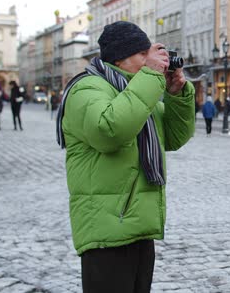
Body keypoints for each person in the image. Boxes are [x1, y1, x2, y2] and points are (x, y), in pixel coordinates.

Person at [56, 21, 195, 293]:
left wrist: (177, 95)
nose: (152, 60)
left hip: (139, 227)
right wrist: (151, 77)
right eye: (144, 54)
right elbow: (109, 131)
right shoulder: (88, 89)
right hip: (106, 229)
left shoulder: (139, 92)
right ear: (120, 57)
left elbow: (175, 136)